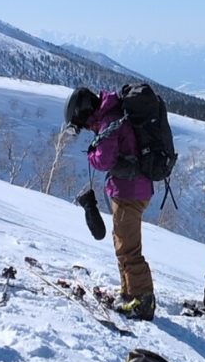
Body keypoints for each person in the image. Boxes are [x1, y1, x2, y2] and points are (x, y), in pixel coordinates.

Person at [65, 86, 158, 320]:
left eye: (85, 124)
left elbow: (104, 160)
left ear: (86, 113)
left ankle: (143, 300)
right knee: (122, 243)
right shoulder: (113, 116)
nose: (88, 128)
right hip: (130, 188)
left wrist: (91, 154)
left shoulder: (110, 120)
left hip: (130, 190)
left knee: (128, 246)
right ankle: (129, 293)